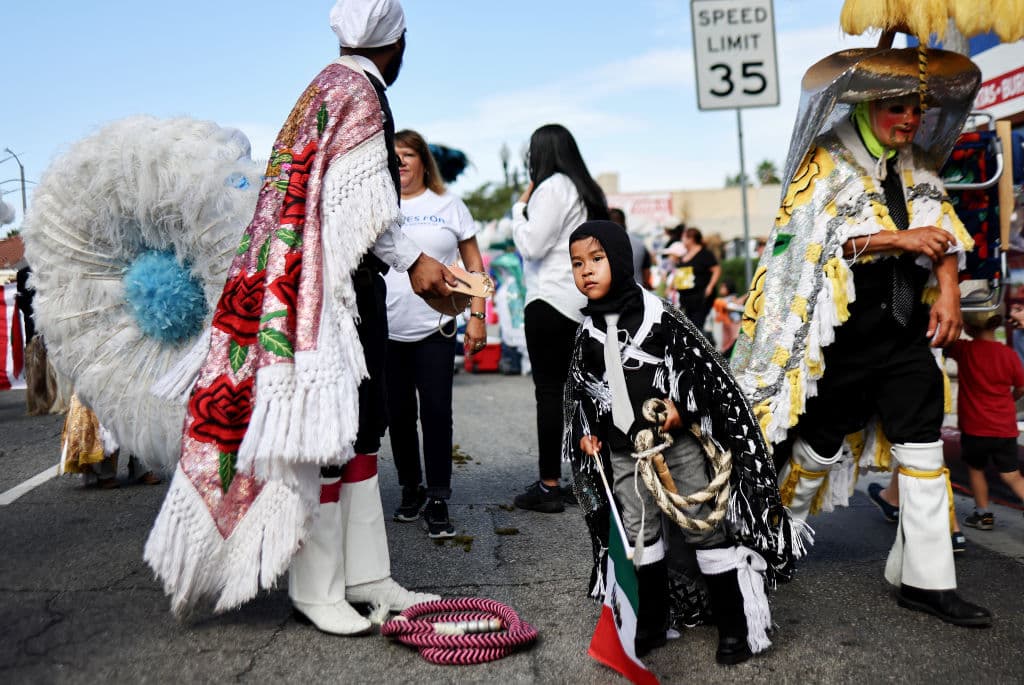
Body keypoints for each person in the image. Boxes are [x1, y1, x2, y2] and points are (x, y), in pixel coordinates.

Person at [145, 0, 455, 634]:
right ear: (398, 42)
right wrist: (415, 261)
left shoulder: (325, 87)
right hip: (329, 294)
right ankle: (317, 588)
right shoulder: (359, 95)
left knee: (362, 430)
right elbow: (356, 212)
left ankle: (367, 574)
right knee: (330, 435)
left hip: (333, 286)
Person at [732, 47, 991, 626]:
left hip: (904, 333)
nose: (910, 120)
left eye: (916, 109)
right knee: (819, 443)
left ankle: (927, 581)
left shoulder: (918, 164)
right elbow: (806, 244)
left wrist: (949, 291)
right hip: (841, 339)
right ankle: (773, 543)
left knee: (923, 446)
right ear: (870, 107)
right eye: (898, 108)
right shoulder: (823, 161)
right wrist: (897, 239)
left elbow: (943, 233)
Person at [564, 221, 803, 665]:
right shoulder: (587, 331)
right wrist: (586, 432)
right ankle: (653, 622)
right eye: (577, 264)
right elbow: (582, 391)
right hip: (623, 453)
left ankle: (734, 627)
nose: (587, 271)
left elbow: (704, 374)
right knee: (640, 531)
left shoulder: (660, 317)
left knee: (702, 524)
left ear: (620, 261)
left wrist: (683, 408)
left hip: (676, 447)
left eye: (596, 259)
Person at [385, 129, 485, 538]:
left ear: (424, 162)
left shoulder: (449, 205)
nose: (401, 162)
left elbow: (474, 266)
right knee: (398, 417)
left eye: (408, 154)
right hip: (386, 330)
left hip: (436, 327)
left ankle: (439, 497)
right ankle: (411, 488)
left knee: (437, 413)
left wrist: (477, 315)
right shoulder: (381, 205)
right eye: (394, 156)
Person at [511, 123, 608, 513]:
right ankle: (590, 481)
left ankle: (549, 485)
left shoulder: (552, 188)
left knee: (550, 394)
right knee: (584, 394)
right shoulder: (587, 192)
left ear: (539, 154)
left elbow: (532, 246)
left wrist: (518, 211)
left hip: (549, 300)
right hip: (582, 302)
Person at [947, 312, 1024, 529]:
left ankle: (983, 515)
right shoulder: (1008, 354)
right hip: (1005, 429)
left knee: (976, 469)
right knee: (1013, 476)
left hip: (975, 429)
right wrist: (1011, 399)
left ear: (968, 327)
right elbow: (1021, 387)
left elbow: (944, 341)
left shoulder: (964, 350)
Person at [668, 227, 720, 332]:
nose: (682, 241)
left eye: (684, 238)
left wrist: (710, 286)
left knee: (696, 326)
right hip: (686, 298)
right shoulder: (684, 254)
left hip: (700, 297)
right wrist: (671, 286)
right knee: (687, 326)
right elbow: (679, 271)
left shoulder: (705, 254)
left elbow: (716, 269)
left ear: (691, 239)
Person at [609, 207, 652, 289]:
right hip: (637, 291)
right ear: (624, 222)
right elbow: (646, 272)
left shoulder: (600, 243)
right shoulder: (639, 243)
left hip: (612, 293)